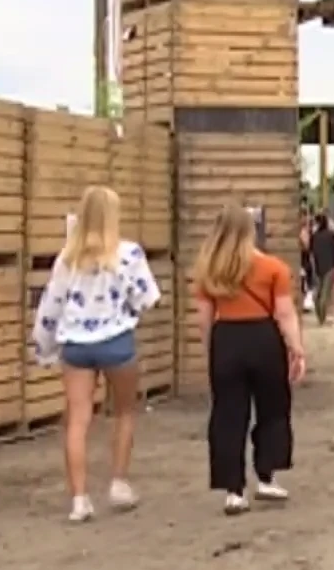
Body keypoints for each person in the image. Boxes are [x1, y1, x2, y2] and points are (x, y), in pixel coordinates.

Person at [29, 186, 162, 523]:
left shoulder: (67, 259)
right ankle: (118, 483)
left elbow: (50, 307)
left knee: (77, 419)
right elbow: (148, 299)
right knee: (125, 412)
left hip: (76, 345)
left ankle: (79, 499)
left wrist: (43, 347)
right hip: (116, 341)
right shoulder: (129, 254)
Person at [191, 205, 306, 516]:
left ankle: (233, 490)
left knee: (228, 414)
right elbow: (284, 313)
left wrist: (210, 349)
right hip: (264, 338)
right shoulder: (273, 268)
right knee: (272, 407)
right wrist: (296, 348)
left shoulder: (209, 270)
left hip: (226, 337)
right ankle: (267, 475)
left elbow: (204, 319)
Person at [307, 214, 334, 324]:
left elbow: (311, 251)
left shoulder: (314, 236)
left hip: (317, 267)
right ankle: (322, 316)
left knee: (318, 292)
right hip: (330, 266)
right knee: (325, 292)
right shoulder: (331, 235)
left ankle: (320, 315)